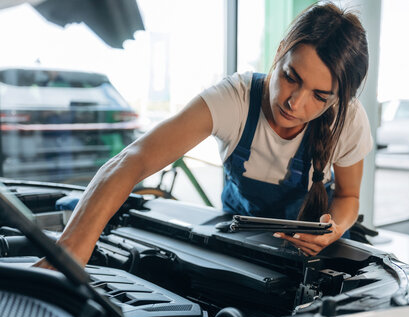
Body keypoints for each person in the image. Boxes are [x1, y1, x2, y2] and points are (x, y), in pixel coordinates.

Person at [36, 2, 372, 268]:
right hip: (240, 253)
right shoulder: (235, 99)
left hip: (311, 260)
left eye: (320, 96)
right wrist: (69, 250)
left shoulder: (349, 120)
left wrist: (332, 231)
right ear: (281, 49)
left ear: (338, 99)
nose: (294, 102)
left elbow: (348, 197)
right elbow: (132, 160)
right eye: (291, 77)